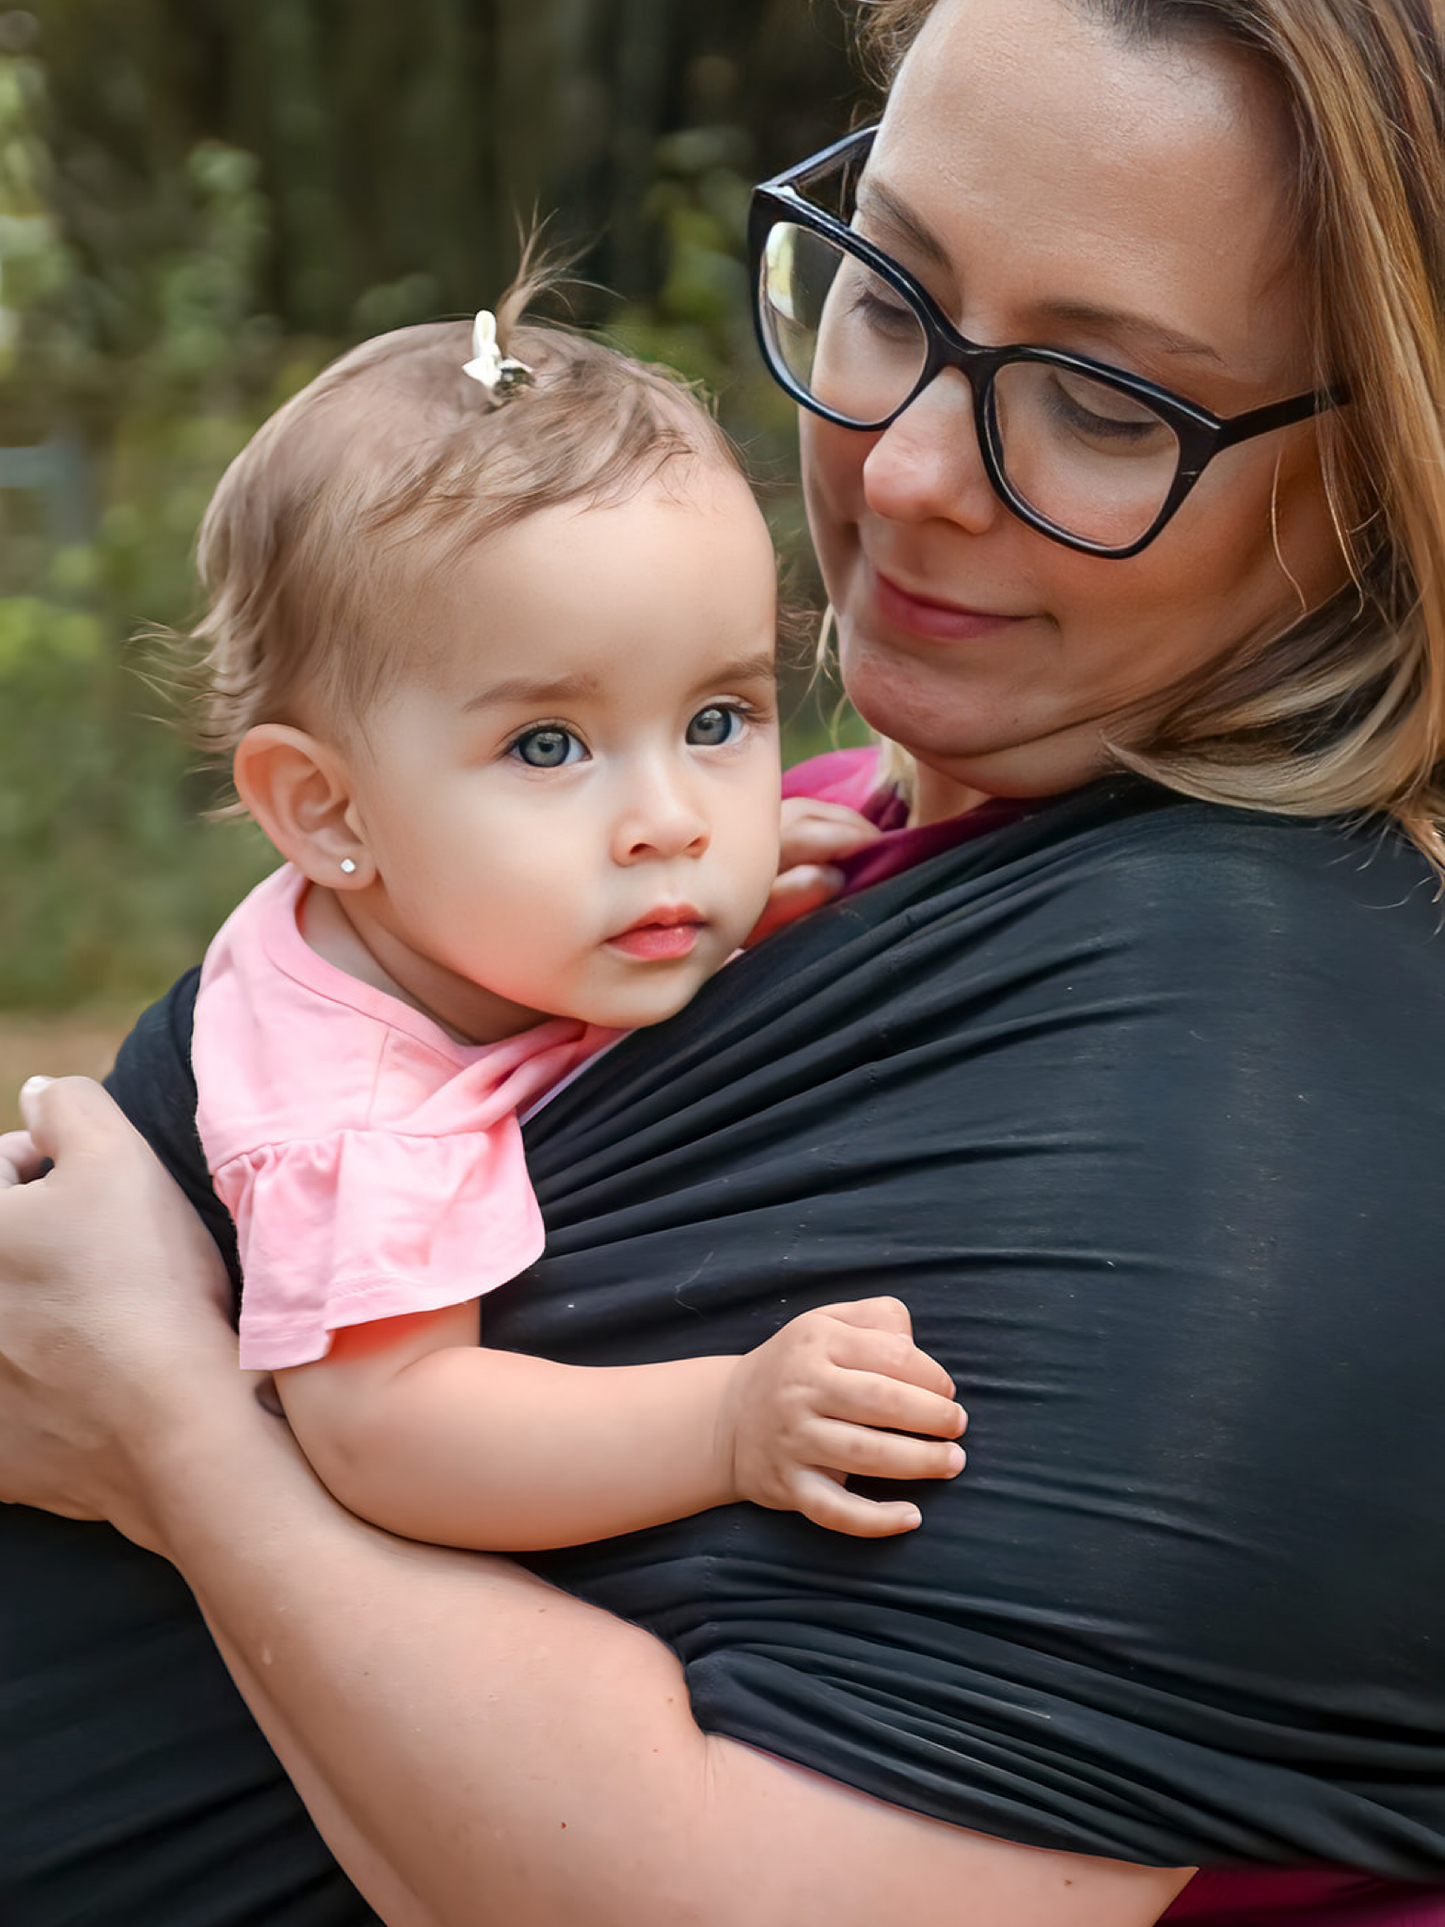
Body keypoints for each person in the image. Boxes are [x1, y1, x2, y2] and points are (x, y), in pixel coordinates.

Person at [2, 1, 1444, 1923]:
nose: (913, 471)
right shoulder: (808, 836)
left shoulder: (1271, 1091)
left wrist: (160, 1412)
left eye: (1107, 404)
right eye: (888, 289)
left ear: (1388, 465)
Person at [127, 293, 963, 1551]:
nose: (672, 821)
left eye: (716, 721)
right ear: (325, 807)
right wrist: (728, 1420)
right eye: (548, 744)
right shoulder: (350, 1114)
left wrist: (723, 905)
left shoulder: (474, 918)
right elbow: (387, 1430)